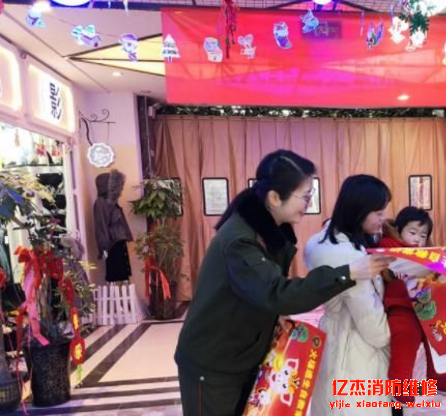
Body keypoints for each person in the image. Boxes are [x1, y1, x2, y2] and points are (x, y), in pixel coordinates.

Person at [175, 152, 395, 416]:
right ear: (274, 198)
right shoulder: (241, 241)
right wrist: (348, 273)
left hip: (244, 352)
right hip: (214, 363)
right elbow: (276, 292)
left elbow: (263, 289)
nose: (309, 203)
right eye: (305, 196)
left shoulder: (269, 231)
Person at [304, 174, 393, 416]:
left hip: (335, 343)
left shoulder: (324, 241)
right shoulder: (350, 259)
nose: (383, 219)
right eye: (378, 212)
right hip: (356, 356)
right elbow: (375, 330)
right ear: (359, 210)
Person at [379, 206, 446, 406]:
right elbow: (384, 269)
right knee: (405, 338)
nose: (417, 239)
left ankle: (439, 377)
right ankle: (400, 385)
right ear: (399, 230)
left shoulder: (428, 254)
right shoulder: (389, 245)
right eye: (413, 232)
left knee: (438, 335)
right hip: (401, 307)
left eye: (423, 235)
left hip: (425, 307)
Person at [93, 169, 133, 283]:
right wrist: (103, 248)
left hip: (118, 242)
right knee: (115, 274)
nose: (121, 188)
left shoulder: (112, 203)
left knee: (123, 274)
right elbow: (101, 226)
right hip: (112, 244)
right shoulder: (101, 203)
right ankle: (119, 294)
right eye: (118, 185)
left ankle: (124, 294)